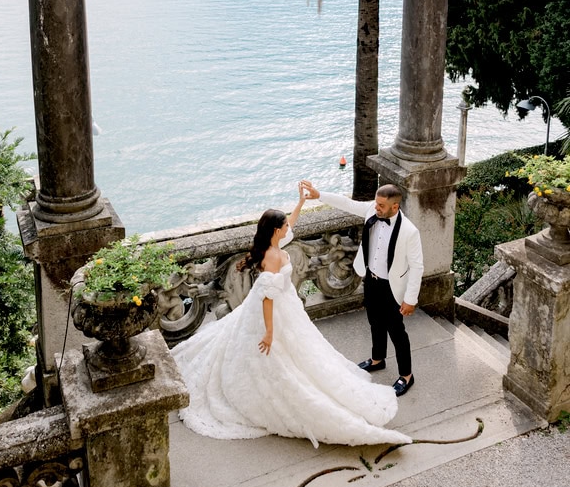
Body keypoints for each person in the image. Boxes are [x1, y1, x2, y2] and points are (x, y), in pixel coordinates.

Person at [171, 183, 411, 448]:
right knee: (280, 358)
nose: (289, 229)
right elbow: (267, 299)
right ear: (276, 231)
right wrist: (270, 332)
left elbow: (292, 225)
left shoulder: (271, 244)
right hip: (275, 310)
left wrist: (300, 203)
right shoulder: (272, 257)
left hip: (286, 306)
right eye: (284, 226)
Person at [301, 181, 423, 398]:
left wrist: (410, 299)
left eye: (381, 206)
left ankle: (406, 375)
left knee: (397, 332)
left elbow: (417, 266)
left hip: (392, 287)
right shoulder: (371, 209)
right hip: (371, 280)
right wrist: (319, 194)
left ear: (395, 207)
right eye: (376, 203)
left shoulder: (409, 232)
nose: (376, 208)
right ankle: (378, 359)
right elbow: (347, 203)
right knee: (375, 322)